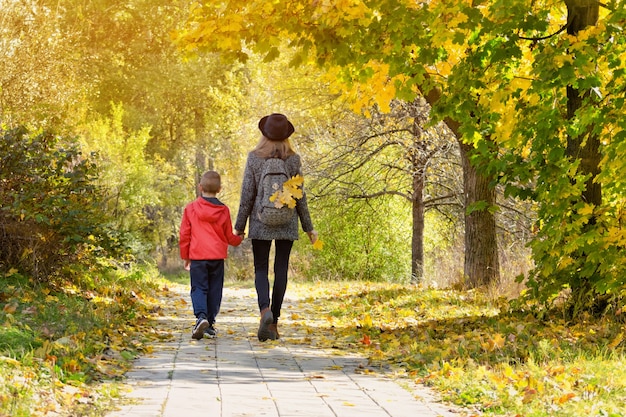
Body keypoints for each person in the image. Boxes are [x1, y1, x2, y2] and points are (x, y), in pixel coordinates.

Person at [235, 113, 318, 342]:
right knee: (281, 268)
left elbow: (247, 195)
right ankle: (274, 324)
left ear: (264, 133)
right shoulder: (293, 159)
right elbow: (301, 197)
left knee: (260, 268)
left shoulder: (254, 158)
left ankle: (264, 311)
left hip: (261, 219)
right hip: (287, 221)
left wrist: (239, 226)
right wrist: (308, 228)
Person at [180, 170, 243, 340]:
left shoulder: (191, 208)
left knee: (199, 288)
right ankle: (210, 324)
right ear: (220, 189)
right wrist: (239, 238)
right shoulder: (223, 210)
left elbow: (185, 235)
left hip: (198, 256)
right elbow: (229, 236)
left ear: (200, 187)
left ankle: (201, 318)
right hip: (216, 257)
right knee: (215, 290)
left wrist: (186, 256)